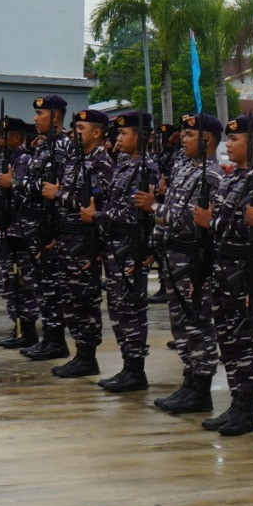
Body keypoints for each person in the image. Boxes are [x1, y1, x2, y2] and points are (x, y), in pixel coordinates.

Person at [196, 115, 253, 436]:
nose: (228, 144)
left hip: (244, 272)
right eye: (228, 139)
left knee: (246, 340)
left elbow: (248, 228)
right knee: (227, 340)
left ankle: (247, 410)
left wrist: (208, 223)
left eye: (235, 139)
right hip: (223, 269)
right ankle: (236, 403)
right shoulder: (233, 178)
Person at [151, 113, 221, 415]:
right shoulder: (186, 170)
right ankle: (189, 381)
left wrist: (154, 208)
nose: (183, 138)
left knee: (197, 324)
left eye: (190, 135)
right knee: (181, 325)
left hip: (191, 258)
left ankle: (201, 388)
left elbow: (189, 220)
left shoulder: (210, 175)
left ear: (207, 141)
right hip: (173, 255)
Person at [39, 108, 112, 378]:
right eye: (75, 129)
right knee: (69, 298)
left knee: (84, 300)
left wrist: (58, 193)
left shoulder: (100, 162)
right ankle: (79, 352)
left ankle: (87, 356)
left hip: (85, 240)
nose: (75, 133)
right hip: (67, 237)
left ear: (97, 133)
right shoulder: (76, 160)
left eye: (81, 130)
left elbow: (97, 202)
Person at [94, 112, 156, 393]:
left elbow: (132, 214)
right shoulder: (123, 165)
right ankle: (127, 365)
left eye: (124, 134)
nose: (118, 139)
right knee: (118, 309)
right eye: (117, 134)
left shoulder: (146, 168)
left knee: (131, 309)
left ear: (140, 137)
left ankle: (136, 370)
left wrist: (97, 216)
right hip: (114, 246)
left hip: (130, 247)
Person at [17, 96, 73, 359]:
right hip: (35, 226)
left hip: (51, 228)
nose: (35, 118)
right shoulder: (43, 147)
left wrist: (31, 187)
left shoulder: (63, 148)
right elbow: (28, 185)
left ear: (54, 116)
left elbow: (54, 190)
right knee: (40, 285)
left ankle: (56, 340)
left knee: (52, 288)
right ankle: (48, 337)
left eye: (39, 113)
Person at [0, 117, 42, 348]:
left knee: (21, 281)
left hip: (19, 231)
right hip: (1, 228)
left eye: (2, 135)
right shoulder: (1, 158)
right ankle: (17, 324)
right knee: (6, 282)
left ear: (16, 137)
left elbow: (28, 195)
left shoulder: (24, 159)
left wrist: (12, 183)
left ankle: (27, 330)